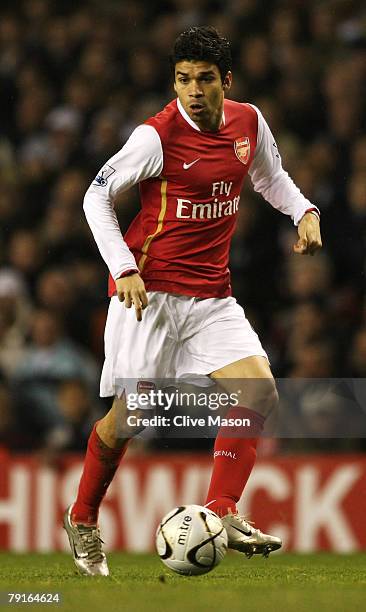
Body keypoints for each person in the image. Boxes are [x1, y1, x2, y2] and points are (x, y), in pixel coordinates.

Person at [63, 26, 322, 576]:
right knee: (128, 419)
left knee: (258, 392)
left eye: (205, 80)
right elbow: (95, 197)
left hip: (211, 296)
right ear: (174, 82)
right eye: (183, 80)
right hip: (148, 296)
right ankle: (83, 517)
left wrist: (304, 211)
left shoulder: (248, 122)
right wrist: (123, 267)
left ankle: (222, 509)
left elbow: (270, 178)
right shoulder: (154, 137)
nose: (193, 91)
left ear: (225, 81)